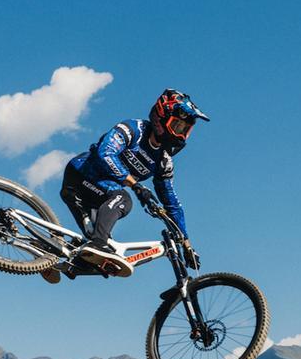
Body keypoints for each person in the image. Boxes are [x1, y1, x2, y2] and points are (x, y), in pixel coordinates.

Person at [42, 88, 209, 284]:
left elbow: (171, 203)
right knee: (122, 201)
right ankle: (96, 245)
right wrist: (136, 185)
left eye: (185, 130)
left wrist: (186, 244)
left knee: (100, 251)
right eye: (178, 126)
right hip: (81, 176)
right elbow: (105, 153)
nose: (180, 135)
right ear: (162, 118)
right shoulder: (133, 129)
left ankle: (48, 255)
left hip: (101, 194)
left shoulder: (163, 161)